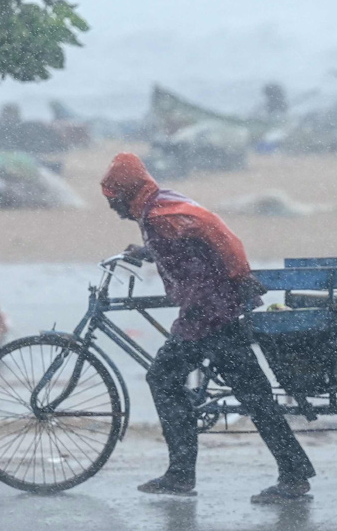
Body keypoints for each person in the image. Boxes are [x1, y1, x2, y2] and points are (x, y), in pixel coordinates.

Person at [100, 152, 316, 503]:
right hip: (219, 310)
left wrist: (192, 321)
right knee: (254, 395)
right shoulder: (162, 206)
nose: (113, 208)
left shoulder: (159, 218)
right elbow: (196, 243)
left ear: (127, 193)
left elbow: (198, 265)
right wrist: (147, 252)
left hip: (211, 317)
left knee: (164, 378)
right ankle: (292, 473)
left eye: (114, 199)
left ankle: (182, 474)